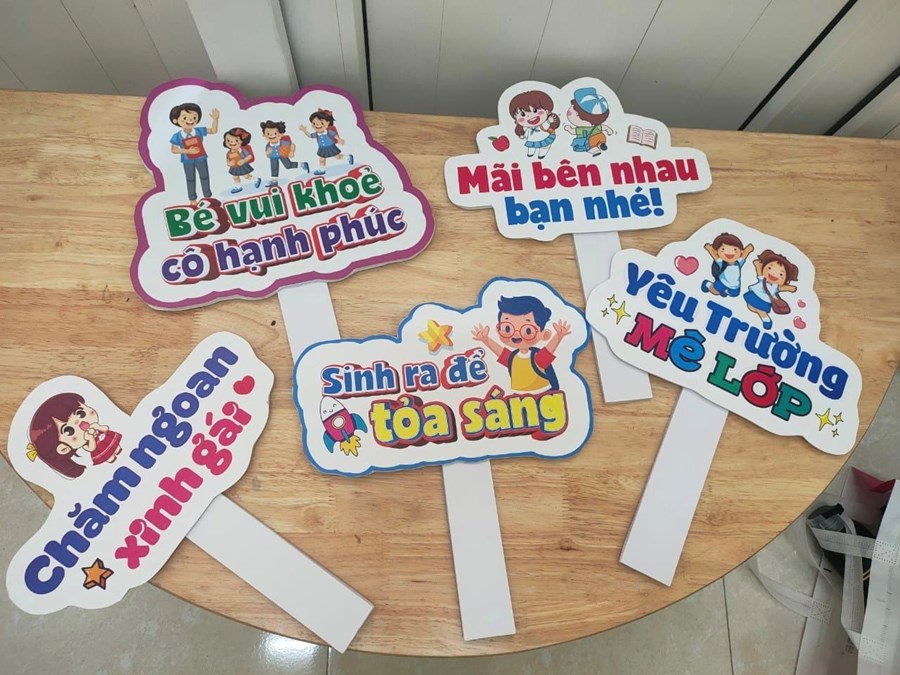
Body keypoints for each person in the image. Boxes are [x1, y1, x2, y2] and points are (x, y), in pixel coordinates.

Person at [471, 295, 571, 392]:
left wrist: (559, 335)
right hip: (518, 399)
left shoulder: (536, 357)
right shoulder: (513, 358)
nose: (516, 334)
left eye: (528, 330)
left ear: (544, 335)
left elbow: (548, 352)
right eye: (507, 328)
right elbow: (501, 353)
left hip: (543, 395)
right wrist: (485, 339)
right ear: (498, 330)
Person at [26, 393, 122, 479]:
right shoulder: (86, 441)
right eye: (68, 431)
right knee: (108, 456)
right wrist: (90, 438)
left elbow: (105, 428)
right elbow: (91, 448)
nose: (81, 423)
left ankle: (117, 449)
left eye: (80, 413)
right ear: (64, 449)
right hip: (100, 449)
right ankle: (110, 458)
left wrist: (99, 427)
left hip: (106, 438)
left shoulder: (95, 426)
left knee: (115, 446)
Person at [169, 102, 219, 206]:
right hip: (187, 160)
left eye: (194, 117)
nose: (191, 120)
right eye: (185, 118)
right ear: (175, 120)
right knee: (190, 179)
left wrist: (215, 119)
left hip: (201, 158)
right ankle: (192, 199)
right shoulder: (177, 136)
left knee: (205, 176)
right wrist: (187, 151)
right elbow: (174, 150)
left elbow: (213, 131)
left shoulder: (199, 131)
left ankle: (207, 196)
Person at [743, 250, 799, 329]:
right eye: (769, 268)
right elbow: (759, 271)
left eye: (781, 274)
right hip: (755, 295)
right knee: (751, 306)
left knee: (760, 310)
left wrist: (789, 288)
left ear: (786, 281)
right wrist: (757, 265)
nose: (773, 274)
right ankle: (765, 319)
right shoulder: (763, 279)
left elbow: (780, 288)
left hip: (765, 300)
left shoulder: (775, 286)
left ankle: (766, 320)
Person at [299, 109, 353, 175]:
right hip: (322, 148)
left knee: (337, 157)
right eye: (314, 123)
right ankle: (322, 170)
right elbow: (310, 135)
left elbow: (334, 135)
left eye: (321, 123)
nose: (317, 125)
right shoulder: (316, 134)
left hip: (330, 147)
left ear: (327, 123)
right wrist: (304, 131)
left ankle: (348, 157)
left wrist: (339, 139)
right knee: (322, 159)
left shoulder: (328, 132)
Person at [509, 89, 560, 158]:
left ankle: (542, 155)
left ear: (546, 110)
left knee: (545, 146)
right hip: (532, 139)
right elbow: (520, 130)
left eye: (535, 110)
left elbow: (551, 125)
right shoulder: (525, 126)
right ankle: (530, 154)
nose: (530, 116)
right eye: (523, 114)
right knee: (531, 147)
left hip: (544, 137)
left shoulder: (545, 122)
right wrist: (521, 134)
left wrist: (551, 122)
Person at [701, 232, 754, 297]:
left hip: (735, 285)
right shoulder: (722, 262)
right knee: (716, 292)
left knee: (735, 294)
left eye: (735, 249)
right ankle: (707, 284)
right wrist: (709, 249)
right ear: (716, 251)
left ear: (741, 251)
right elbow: (714, 256)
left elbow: (744, 255)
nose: (729, 252)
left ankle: (724, 291)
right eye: (723, 249)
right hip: (722, 282)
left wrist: (748, 250)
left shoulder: (738, 263)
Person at [564, 87, 610, 156]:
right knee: (599, 141)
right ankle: (601, 145)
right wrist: (608, 130)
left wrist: (568, 128)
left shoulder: (581, 129)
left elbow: (573, 131)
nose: (569, 112)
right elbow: (604, 127)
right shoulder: (597, 126)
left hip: (590, 141)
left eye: (575, 111)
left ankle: (595, 150)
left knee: (591, 145)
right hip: (601, 136)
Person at [260, 120, 304, 187]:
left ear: (281, 134)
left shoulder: (284, 142)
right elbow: (267, 155)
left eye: (275, 133)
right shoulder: (268, 146)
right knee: (274, 168)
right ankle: (274, 181)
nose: (271, 135)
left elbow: (292, 145)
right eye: (268, 134)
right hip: (273, 157)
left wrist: (292, 151)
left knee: (288, 165)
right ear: (264, 135)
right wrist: (268, 153)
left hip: (282, 154)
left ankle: (302, 165)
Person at [222, 127, 262, 193]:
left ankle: (256, 179)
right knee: (235, 177)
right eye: (228, 140)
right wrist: (229, 163)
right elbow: (227, 161)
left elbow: (250, 156)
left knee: (246, 176)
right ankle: (238, 187)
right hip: (234, 167)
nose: (231, 143)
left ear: (242, 141)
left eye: (236, 140)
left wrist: (243, 160)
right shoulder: (228, 153)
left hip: (242, 165)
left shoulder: (242, 150)